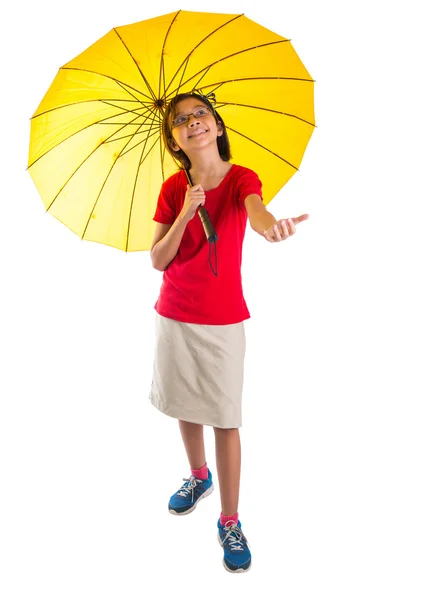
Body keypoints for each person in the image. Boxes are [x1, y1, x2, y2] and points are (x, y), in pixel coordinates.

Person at [149, 92, 309, 573]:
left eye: (200, 114)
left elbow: (256, 209)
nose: (192, 122)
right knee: (183, 403)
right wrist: (184, 211)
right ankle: (198, 477)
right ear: (174, 139)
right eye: (181, 120)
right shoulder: (172, 188)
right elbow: (157, 259)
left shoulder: (242, 178)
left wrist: (269, 228)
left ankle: (230, 520)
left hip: (221, 319)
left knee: (224, 417)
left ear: (217, 126)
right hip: (175, 313)